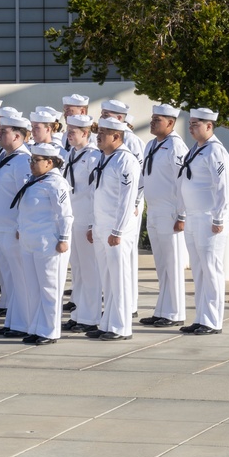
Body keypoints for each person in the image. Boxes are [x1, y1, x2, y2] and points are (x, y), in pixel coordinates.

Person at [86, 117, 141, 341]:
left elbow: (128, 200)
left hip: (117, 229)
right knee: (106, 279)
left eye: (104, 133)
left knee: (119, 279)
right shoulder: (105, 158)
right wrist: (93, 224)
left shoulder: (126, 161)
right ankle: (107, 322)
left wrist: (117, 230)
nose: (98, 136)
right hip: (101, 226)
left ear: (117, 136)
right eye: (98, 132)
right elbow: (97, 195)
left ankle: (121, 327)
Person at [178, 107, 229, 336]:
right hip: (193, 216)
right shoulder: (197, 149)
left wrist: (219, 217)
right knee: (198, 270)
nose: (191, 128)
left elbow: (222, 187)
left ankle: (212, 321)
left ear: (209, 126)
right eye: (189, 124)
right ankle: (201, 317)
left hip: (209, 218)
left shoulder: (215, 151)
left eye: (195, 124)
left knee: (211, 270)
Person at [14, 143, 74, 345]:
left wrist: (64, 239)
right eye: (31, 160)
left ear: (49, 162)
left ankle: (49, 331)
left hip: (49, 243)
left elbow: (65, 214)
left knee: (49, 289)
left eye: (35, 160)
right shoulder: (34, 180)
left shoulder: (57, 183)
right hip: (30, 241)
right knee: (33, 289)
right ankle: (35, 328)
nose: (31, 164)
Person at [0, 114, 33, 338]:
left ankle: (24, 323)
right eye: (0, 130)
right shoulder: (4, 156)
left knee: (20, 279)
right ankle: (13, 320)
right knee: (9, 280)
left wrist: (22, 226)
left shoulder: (23, 160)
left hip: (13, 228)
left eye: (4, 131)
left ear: (18, 135)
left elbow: (26, 196)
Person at [141, 104, 189, 329]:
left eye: (157, 119)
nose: (152, 122)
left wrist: (182, 214)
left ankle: (175, 312)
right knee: (161, 264)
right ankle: (162, 310)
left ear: (170, 123)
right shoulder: (151, 145)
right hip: (154, 210)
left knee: (173, 263)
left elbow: (183, 182)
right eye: (152, 118)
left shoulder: (176, 146)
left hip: (171, 211)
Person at [60, 115, 102, 334]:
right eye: (68, 130)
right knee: (77, 270)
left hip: (86, 218)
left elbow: (95, 192)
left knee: (89, 270)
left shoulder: (94, 157)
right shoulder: (71, 154)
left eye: (73, 131)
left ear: (85, 133)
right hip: (73, 217)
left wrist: (93, 223)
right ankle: (79, 313)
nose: (69, 134)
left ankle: (91, 316)